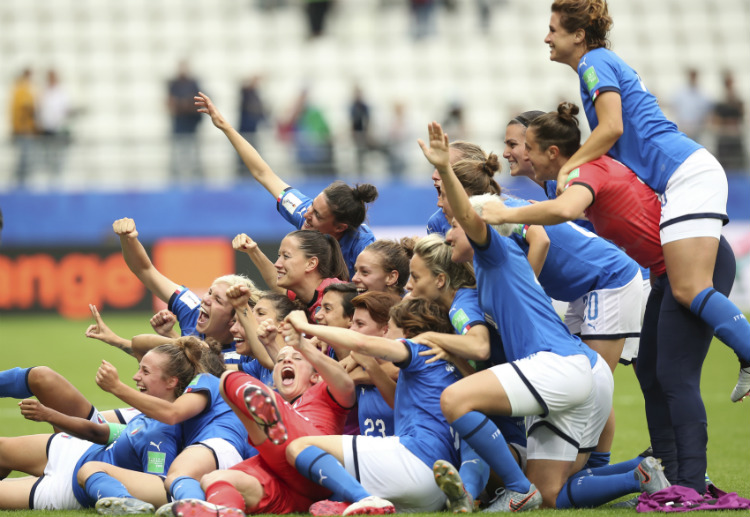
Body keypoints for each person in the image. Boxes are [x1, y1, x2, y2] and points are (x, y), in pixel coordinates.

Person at [483, 102, 739, 493]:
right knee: (649, 375)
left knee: (658, 377)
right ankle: (673, 474)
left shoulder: (585, 173)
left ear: (550, 151)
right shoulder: (567, 180)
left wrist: (504, 215)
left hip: (672, 265)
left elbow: (567, 214)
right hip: (654, 273)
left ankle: (690, 480)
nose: (511, 153)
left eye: (521, 146)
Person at [545, 0, 750, 399]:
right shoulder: (600, 62)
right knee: (680, 291)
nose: (547, 36)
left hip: (684, 172)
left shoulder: (594, 63)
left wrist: (571, 166)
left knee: (688, 288)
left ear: (578, 36)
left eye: (554, 28)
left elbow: (612, 128)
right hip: (682, 175)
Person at [283, 296, 465, 514]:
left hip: (413, 461)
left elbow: (361, 343)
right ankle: (354, 501)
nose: (386, 334)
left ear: (406, 333)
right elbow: (398, 404)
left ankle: (364, 498)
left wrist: (304, 326)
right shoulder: (450, 364)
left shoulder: (417, 349)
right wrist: (369, 365)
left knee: (299, 447)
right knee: (335, 481)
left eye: (390, 329)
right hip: (436, 489)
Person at [0, 340, 217, 511]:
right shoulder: (148, 414)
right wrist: (50, 415)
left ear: (172, 382)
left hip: (69, 487)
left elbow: (156, 485)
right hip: (76, 449)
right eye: (139, 369)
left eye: (145, 372)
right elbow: (99, 431)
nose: (135, 376)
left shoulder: (162, 437)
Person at [171, 324, 356, 515]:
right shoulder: (267, 403)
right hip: (285, 484)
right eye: (280, 360)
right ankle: (226, 511)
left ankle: (357, 496)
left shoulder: (323, 392)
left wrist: (304, 345)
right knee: (215, 478)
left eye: (297, 358)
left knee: (230, 380)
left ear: (316, 376)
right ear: (274, 379)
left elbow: (346, 385)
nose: (286, 362)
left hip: (318, 472)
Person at [196, 91, 377, 278]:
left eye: (317, 215)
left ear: (340, 227)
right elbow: (263, 174)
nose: (306, 214)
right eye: (312, 206)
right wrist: (225, 126)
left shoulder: (364, 248)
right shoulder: (304, 214)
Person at [94, 336, 252, 513]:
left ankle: (195, 509)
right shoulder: (179, 399)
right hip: (225, 457)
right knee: (181, 480)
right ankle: (211, 508)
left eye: (145, 371)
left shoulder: (205, 380)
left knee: (176, 475)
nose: (136, 376)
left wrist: (117, 387)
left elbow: (172, 414)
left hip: (221, 445)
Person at [103, 217, 262, 364]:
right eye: (210, 292)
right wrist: (128, 239)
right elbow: (145, 270)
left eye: (218, 300)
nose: (205, 300)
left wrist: (172, 337)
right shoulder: (193, 310)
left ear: (234, 320)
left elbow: (196, 364)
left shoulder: (247, 355)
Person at [168, 60, 203, 183]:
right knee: (179, 151)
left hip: (191, 123)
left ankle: (194, 176)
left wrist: (185, 105)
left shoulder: (193, 83)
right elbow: (170, 103)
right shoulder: (174, 84)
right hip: (179, 124)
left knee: (192, 151)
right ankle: (177, 177)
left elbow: (197, 100)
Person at [37, 68, 71, 181]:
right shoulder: (44, 92)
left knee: (59, 156)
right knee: (47, 156)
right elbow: (40, 110)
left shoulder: (62, 92)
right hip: (46, 129)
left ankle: (57, 179)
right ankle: (50, 179)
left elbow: (66, 110)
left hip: (59, 128)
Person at [712, 70, 746, 172]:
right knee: (724, 166)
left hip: (735, 138)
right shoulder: (720, 102)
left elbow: (741, 117)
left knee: (738, 166)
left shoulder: (737, 101)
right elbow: (716, 120)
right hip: (724, 139)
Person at [9, 67, 36, 187]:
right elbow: (25, 109)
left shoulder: (23, 89)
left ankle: (22, 183)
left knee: (25, 159)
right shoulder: (21, 90)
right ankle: (20, 184)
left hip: (25, 129)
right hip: (23, 130)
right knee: (23, 159)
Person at [669, 68, 713, 144]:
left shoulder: (703, 93)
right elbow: (675, 108)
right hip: (683, 127)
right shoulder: (680, 92)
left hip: (698, 129)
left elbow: (706, 110)